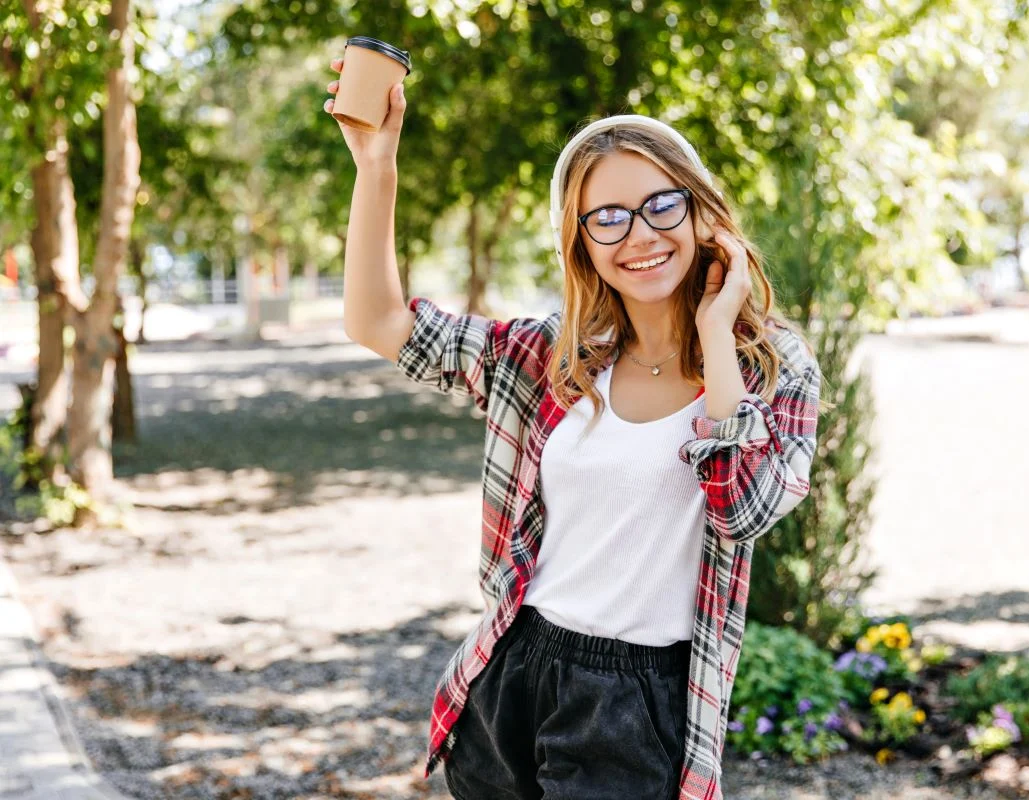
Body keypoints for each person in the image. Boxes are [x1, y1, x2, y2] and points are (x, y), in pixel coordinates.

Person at [325, 61, 822, 800]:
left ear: (701, 213)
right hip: (516, 667)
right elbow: (379, 323)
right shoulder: (551, 357)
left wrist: (717, 330)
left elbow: (741, 509)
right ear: (581, 241)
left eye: (663, 205)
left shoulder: (771, 367)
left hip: (640, 700)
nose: (640, 234)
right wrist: (377, 165)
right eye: (609, 218)